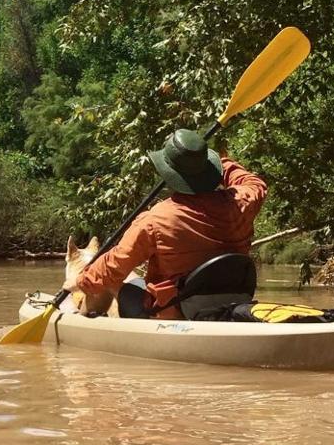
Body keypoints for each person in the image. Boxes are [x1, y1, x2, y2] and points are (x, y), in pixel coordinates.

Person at [71, 129, 267, 319]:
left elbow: (115, 264)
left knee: (110, 281)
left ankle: (82, 318)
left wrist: (81, 281)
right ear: (209, 170)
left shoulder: (154, 220)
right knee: (128, 279)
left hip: (175, 312)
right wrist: (216, 162)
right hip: (233, 302)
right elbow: (255, 183)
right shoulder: (241, 202)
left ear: (169, 174)